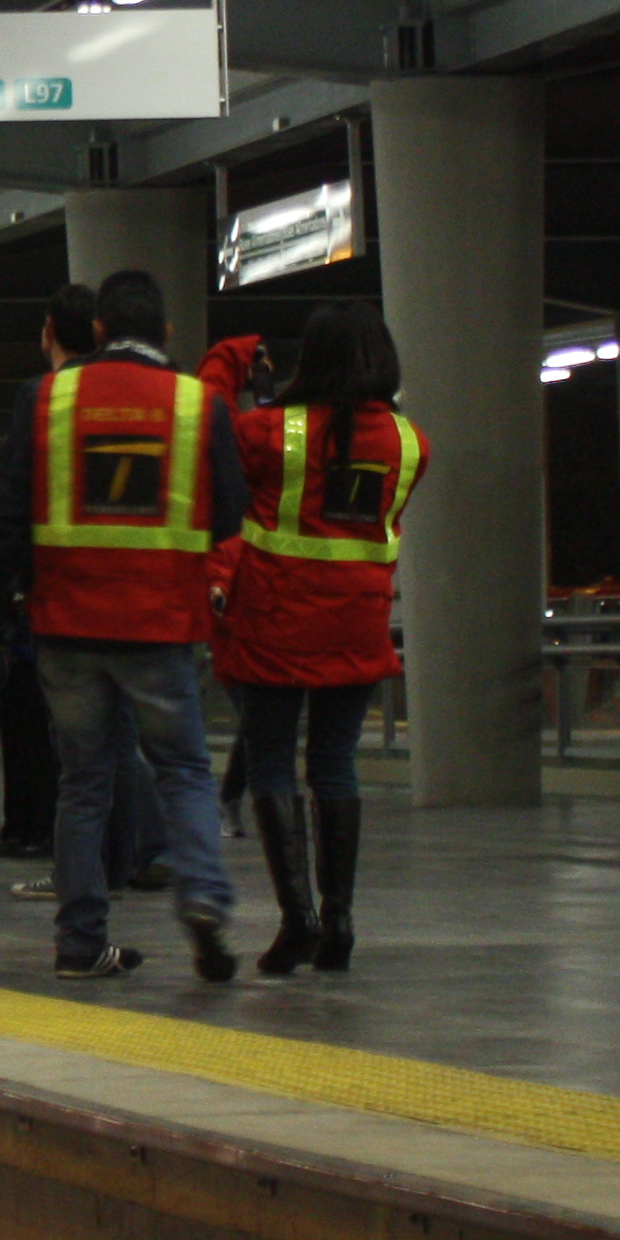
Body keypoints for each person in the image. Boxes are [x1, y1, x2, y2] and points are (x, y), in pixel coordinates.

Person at [0, 270, 247, 981]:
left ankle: (79, 943)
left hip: (67, 623)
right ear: (165, 333)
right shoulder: (199, 406)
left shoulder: (45, 398)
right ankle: (201, 894)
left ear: (97, 330)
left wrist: (0, 597)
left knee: (83, 784)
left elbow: (8, 517)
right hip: (162, 623)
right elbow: (228, 515)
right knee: (184, 769)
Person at [204, 303, 423, 975]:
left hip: (276, 615)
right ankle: (340, 921)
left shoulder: (272, 430)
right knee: (335, 761)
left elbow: (207, 436)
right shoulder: (409, 441)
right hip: (358, 619)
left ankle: (295, 918)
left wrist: (232, 362)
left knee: (271, 760)